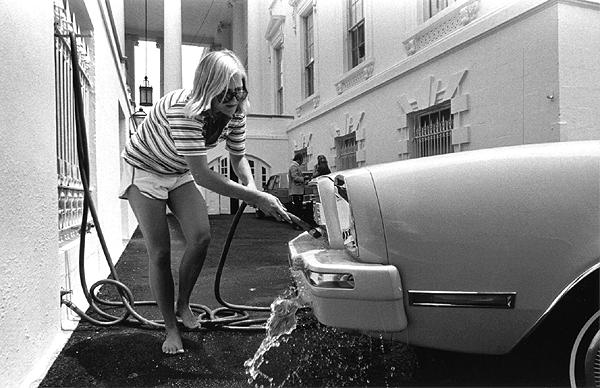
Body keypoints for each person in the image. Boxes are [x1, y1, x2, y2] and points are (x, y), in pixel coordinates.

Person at [119, 49, 291, 355]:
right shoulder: (185, 110)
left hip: (178, 170)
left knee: (200, 236)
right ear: (209, 88)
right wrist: (259, 198)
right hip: (145, 170)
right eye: (228, 94)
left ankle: (183, 304)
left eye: (241, 91)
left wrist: (253, 190)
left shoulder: (236, 111)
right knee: (160, 252)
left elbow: (238, 158)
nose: (236, 100)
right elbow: (203, 175)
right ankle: (171, 328)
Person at [288, 153, 305, 223]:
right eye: (302, 160)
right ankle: (296, 224)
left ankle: (297, 223)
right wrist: (303, 179)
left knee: (298, 208)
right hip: (296, 191)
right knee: (297, 209)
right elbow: (295, 177)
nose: (302, 162)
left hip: (298, 191)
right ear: (299, 160)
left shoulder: (295, 166)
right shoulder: (294, 166)